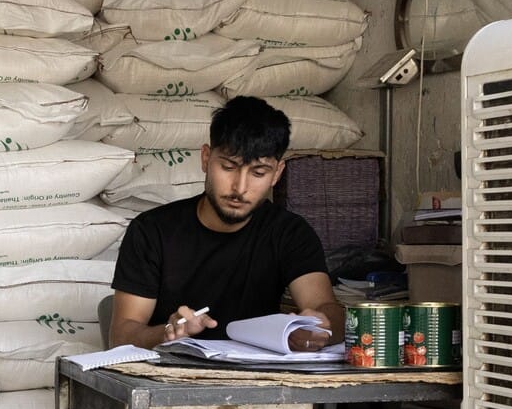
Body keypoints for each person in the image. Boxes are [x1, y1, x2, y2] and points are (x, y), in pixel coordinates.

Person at [109, 95, 345, 349]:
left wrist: (322, 326)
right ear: (205, 159)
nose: (240, 188)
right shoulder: (151, 231)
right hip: (168, 378)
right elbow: (121, 336)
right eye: (229, 167)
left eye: (258, 173)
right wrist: (168, 333)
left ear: (277, 174)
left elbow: (327, 309)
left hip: (259, 379)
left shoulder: (289, 232)